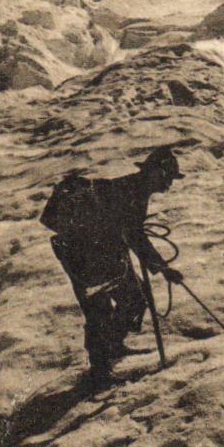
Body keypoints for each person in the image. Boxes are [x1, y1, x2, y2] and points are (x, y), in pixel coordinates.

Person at [42, 147, 183, 386]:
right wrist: (163, 268)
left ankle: (113, 346)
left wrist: (159, 267)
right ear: (155, 173)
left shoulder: (136, 191)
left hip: (105, 257)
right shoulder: (130, 192)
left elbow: (132, 234)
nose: (169, 184)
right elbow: (136, 236)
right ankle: (99, 372)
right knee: (99, 312)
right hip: (82, 257)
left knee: (137, 298)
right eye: (168, 177)